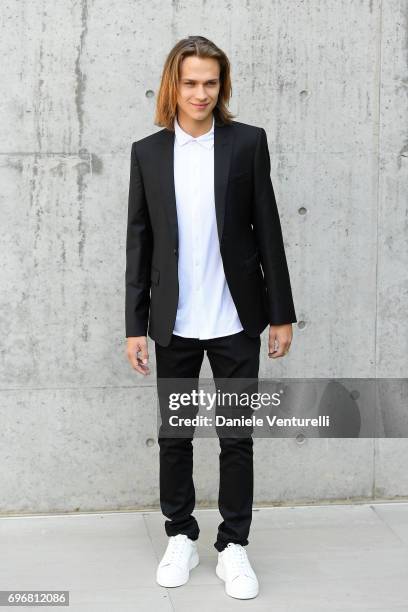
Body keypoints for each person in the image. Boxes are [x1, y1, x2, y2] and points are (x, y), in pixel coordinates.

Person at [125, 35, 297, 600]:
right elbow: (140, 244)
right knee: (175, 436)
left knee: (236, 437)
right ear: (172, 85)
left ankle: (233, 545)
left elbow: (267, 228)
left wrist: (281, 314)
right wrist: (135, 324)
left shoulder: (247, 144)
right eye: (191, 82)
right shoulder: (147, 153)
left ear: (222, 87)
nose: (201, 93)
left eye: (211, 83)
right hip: (172, 322)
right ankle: (180, 534)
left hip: (235, 319)